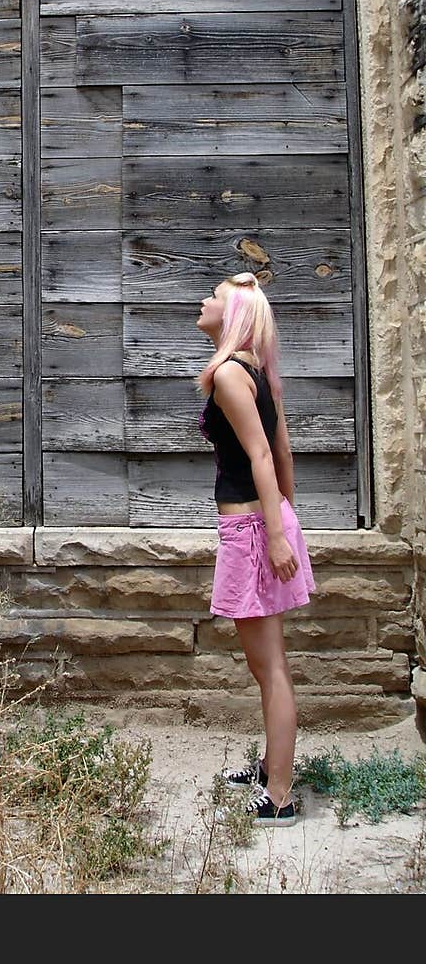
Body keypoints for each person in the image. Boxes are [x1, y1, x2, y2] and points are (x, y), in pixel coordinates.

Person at [196, 270, 315, 826]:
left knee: (270, 669)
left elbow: (264, 459)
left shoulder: (227, 376)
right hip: (263, 525)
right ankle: (273, 764)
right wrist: (286, 520)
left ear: (234, 315)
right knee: (269, 663)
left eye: (213, 297)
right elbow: (284, 453)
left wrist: (272, 534)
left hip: (249, 532)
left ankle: (281, 797)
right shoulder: (260, 373)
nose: (203, 301)